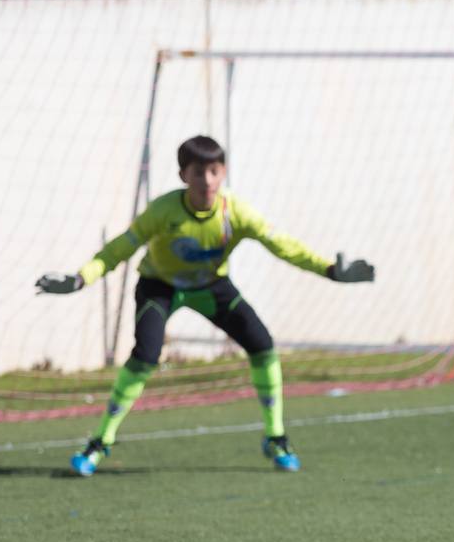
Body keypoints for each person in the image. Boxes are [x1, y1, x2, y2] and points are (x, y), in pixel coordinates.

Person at [35, 135, 376, 475]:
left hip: (211, 287)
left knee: (263, 347)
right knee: (146, 356)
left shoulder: (235, 212)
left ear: (223, 172)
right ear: (184, 175)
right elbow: (120, 248)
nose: (208, 181)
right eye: (199, 173)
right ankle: (100, 442)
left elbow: (284, 246)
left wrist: (330, 270)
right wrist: (81, 278)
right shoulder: (163, 211)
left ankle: (276, 437)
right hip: (160, 287)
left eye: (214, 171)